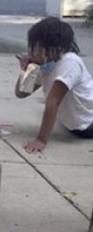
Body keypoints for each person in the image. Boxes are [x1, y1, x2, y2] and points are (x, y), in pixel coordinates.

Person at [14, 17, 93, 153]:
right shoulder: (44, 65)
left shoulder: (70, 63)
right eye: (31, 47)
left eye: (37, 48)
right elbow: (21, 93)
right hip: (76, 126)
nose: (31, 52)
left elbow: (53, 101)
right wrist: (27, 71)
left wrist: (41, 140)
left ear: (55, 49)